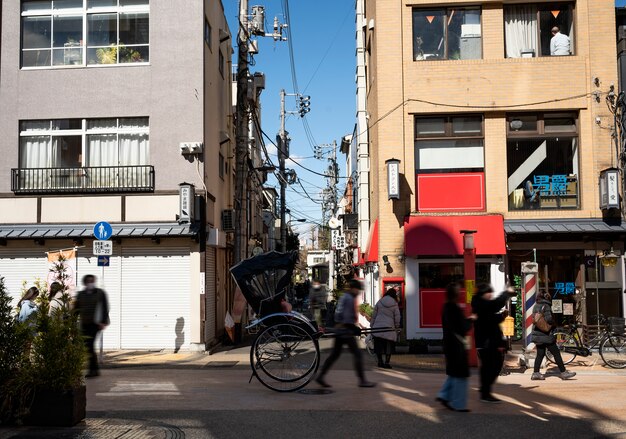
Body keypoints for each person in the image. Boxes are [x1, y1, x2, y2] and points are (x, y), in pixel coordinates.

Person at [316, 279, 376, 388]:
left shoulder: (345, 297)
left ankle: (321, 376)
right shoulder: (348, 298)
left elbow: (339, 314)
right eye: (358, 290)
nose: (358, 292)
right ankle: (362, 380)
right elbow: (346, 317)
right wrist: (353, 328)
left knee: (335, 355)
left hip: (341, 330)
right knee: (357, 354)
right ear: (353, 288)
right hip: (345, 331)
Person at [471, 283, 511, 403]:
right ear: (483, 293)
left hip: (486, 342)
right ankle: (485, 392)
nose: (491, 295)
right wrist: (506, 293)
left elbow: (489, 319)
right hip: (487, 343)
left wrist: (501, 316)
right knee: (493, 366)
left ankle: (485, 389)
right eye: (489, 292)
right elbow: (494, 305)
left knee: (488, 367)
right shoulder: (480, 303)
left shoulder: (479, 304)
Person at [437, 283, 474, 412]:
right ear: (456, 294)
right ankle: (459, 404)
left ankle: (444, 395)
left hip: (448, 344)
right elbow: (463, 327)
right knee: (460, 375)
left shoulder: (446, 307)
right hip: (457, 346)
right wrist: (472, 319)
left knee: (454, 373)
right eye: (459, 291)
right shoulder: (455, 308)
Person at [530, 290, 576, 380]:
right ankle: (563, 372)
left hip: (537, 333)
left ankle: (535, 373)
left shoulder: (536, 305)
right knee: (556, 353)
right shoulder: (546, 306)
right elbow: (549, 319)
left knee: (540, 354)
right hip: (546, 335)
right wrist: (554, 324)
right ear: (546, 297)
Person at [74, 274, 110, 377]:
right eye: (89, 281)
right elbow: (76, 308)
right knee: (88, 346)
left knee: (89, 345)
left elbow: (105, 307)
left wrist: (104, 321)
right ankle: (94, 369)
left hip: (95, 324)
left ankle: (92, 370)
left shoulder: (100, 293)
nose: (91, 283)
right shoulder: (80, 294)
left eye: (93, 281)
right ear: (85, 283)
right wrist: (72, 320)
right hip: (84, 324)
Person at [370, 288, 401, 369]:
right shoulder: (394, 304)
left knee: (378, 345)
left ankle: (380, 362)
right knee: (389, 346)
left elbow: (374, 315)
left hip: (378, 327)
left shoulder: (380, 302)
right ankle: (387, 363)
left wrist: (372, 325)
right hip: (389, 328)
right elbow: (397, 316)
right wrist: (397, 326)